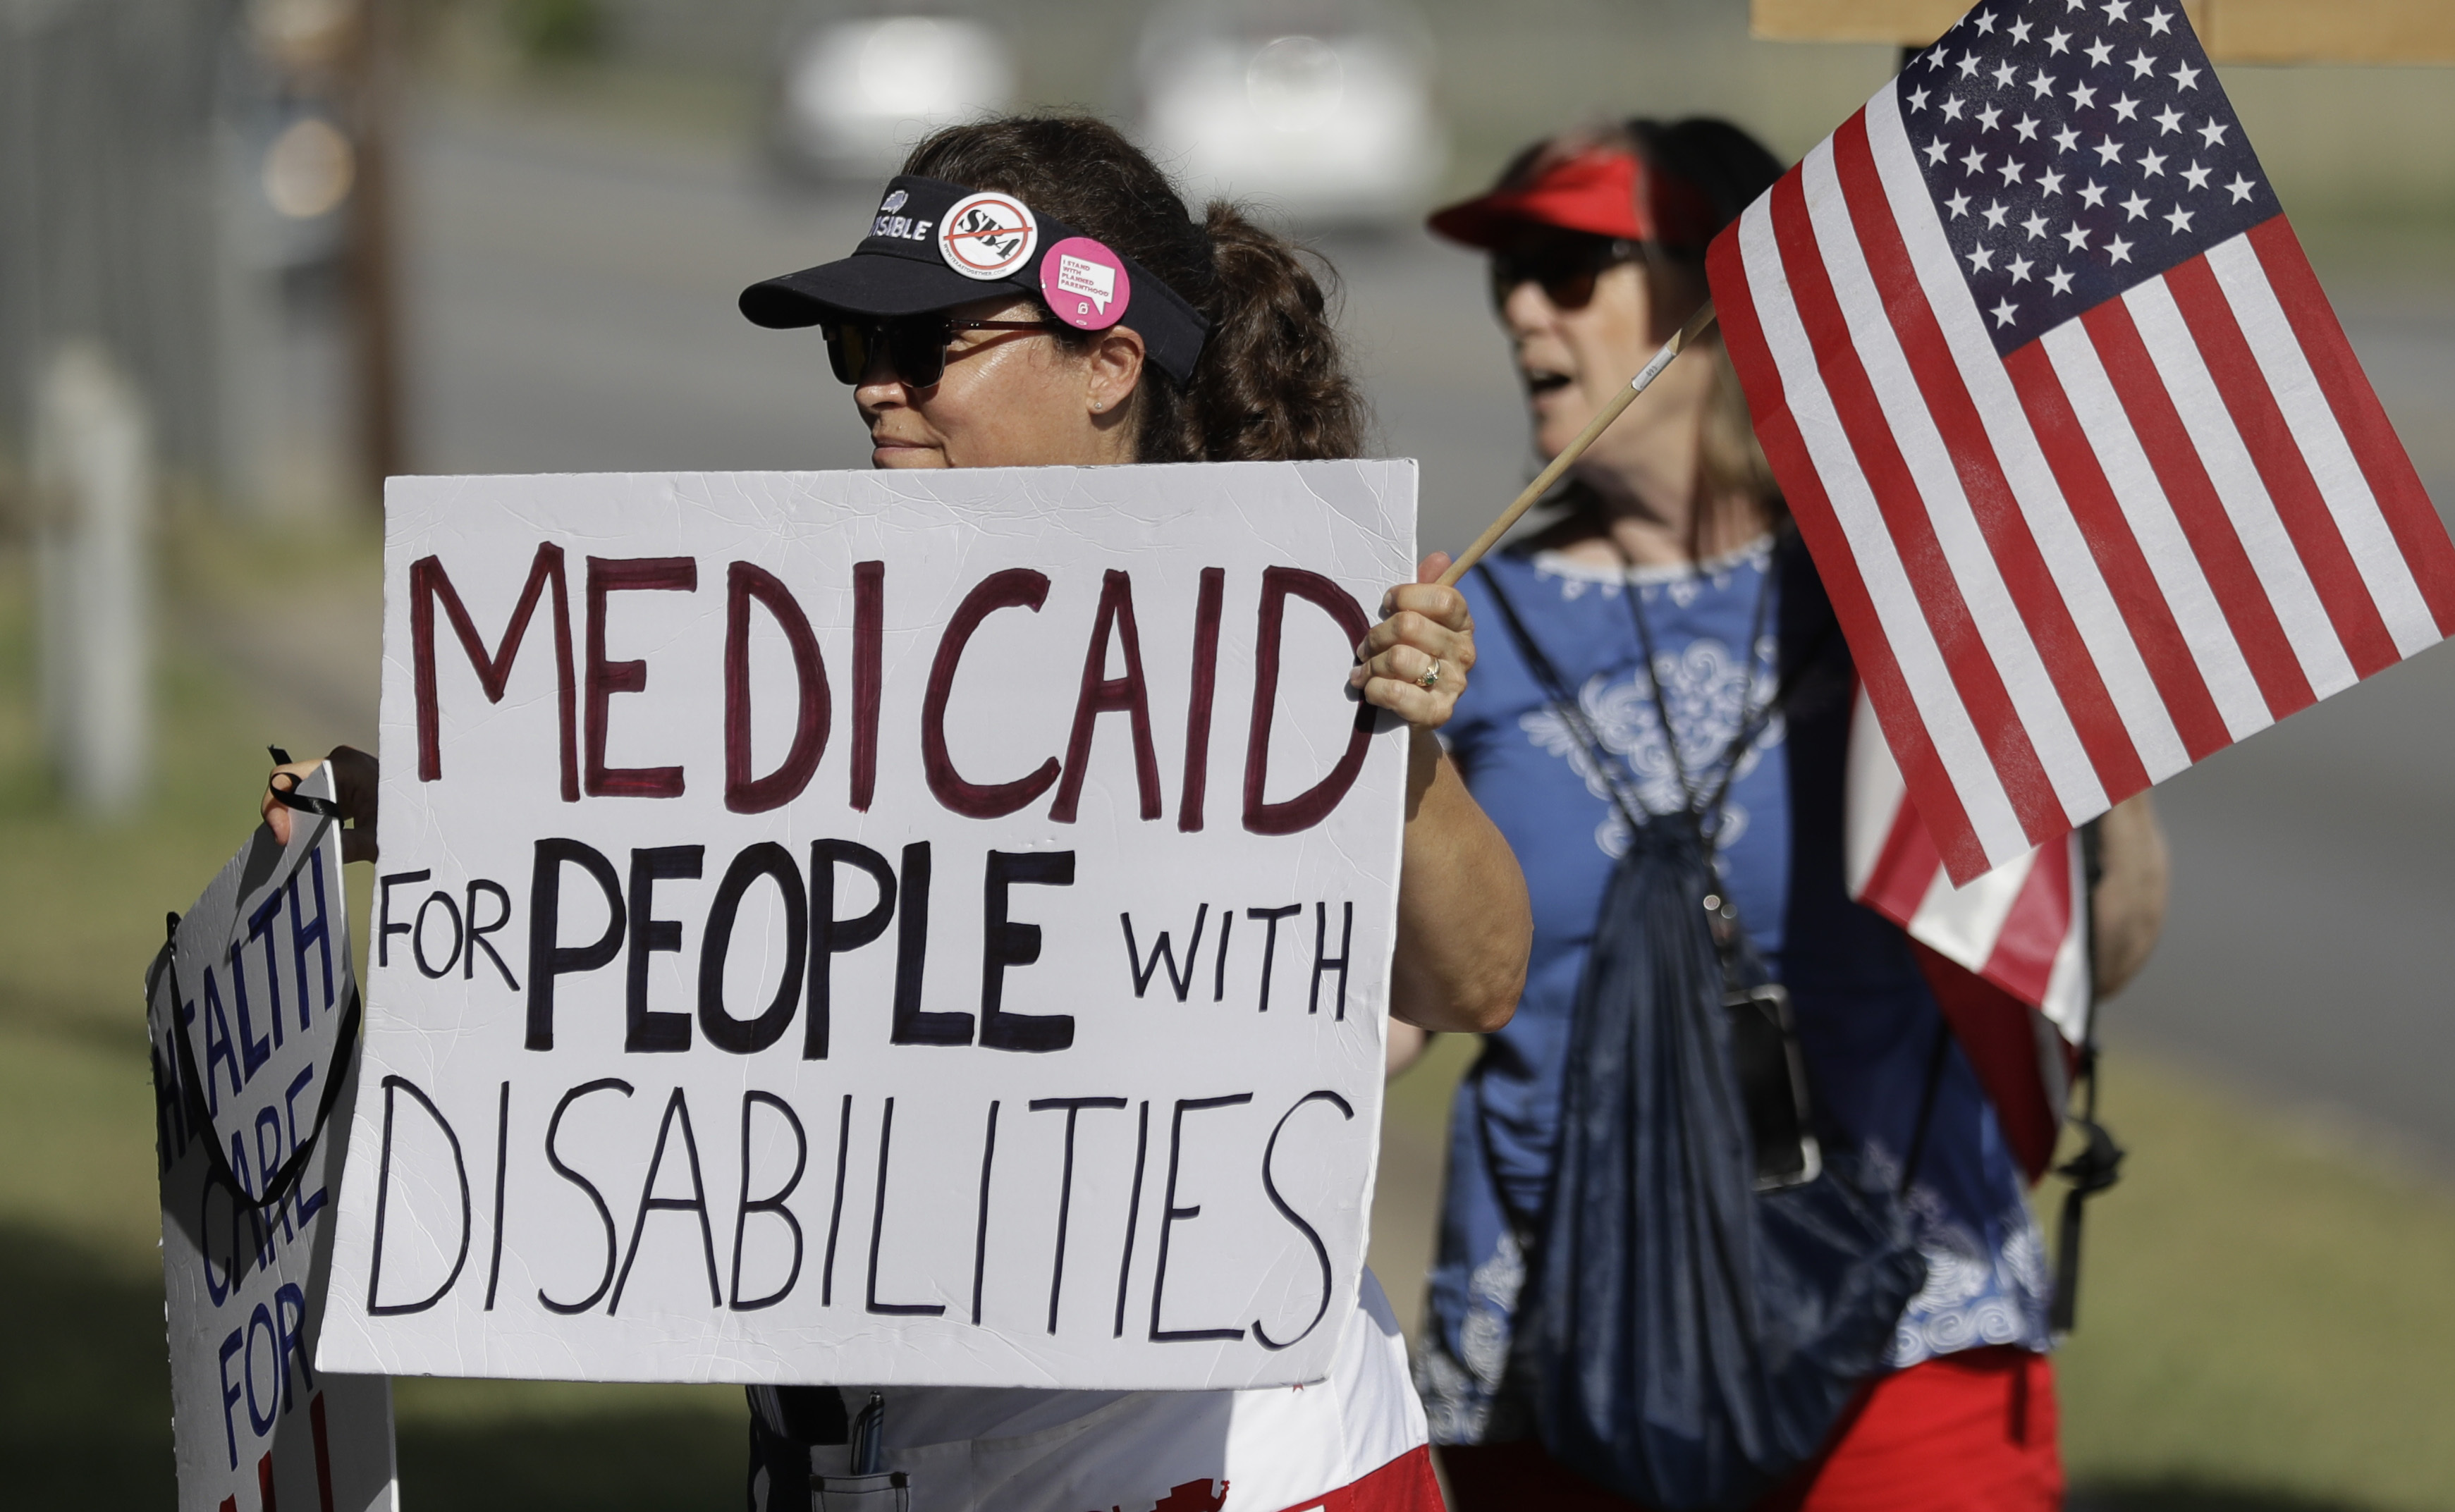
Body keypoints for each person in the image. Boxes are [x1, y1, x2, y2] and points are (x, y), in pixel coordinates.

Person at [265, 114, 1530, 1512]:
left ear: (1108, 362)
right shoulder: (802, 649)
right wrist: (445, 817)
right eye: (853, 349)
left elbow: (1471, 978)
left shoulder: (1271, 643)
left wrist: (1402, 755)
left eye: (923, 349)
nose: (875, 391)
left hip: (1225, 1466)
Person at [1397, 118, 2169, 1511]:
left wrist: (2072, 696)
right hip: (1557, 1345)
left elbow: (2093, 948)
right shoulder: (1452, 635)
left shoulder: (1919, 600)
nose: (1522, 301)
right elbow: (1388, 1015)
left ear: (1724, 298)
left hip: (1904, 1336)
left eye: (1573, 263)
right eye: (1510, 267)